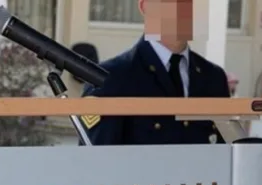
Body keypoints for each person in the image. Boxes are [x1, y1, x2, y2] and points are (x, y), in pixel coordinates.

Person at [82, 0, 230, 146]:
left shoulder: (214, 78)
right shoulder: (108, 78)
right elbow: (97, 158)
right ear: (144, 6)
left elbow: (227, 152)